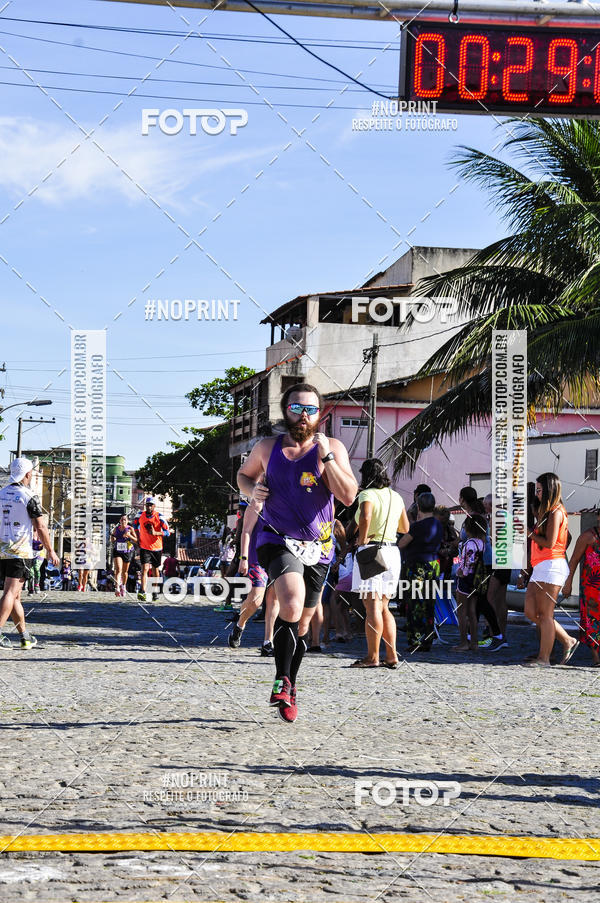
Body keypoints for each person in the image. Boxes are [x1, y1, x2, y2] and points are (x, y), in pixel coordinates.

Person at [237, 382, 357, 723]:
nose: (303, 415)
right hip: (277, 539)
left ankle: (291, 684)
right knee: (289, 601)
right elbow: (243, 476)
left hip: (319, 546)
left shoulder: (332, 447)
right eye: (296, 408)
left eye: (310, 409)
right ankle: (282, 679)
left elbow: (348, 496)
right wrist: (252, 490)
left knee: (303, 623)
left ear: (320, 414)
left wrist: (327, 457)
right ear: (285, 410)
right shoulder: (267, 447)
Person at [350, 458, 408, 668]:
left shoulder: (367, 494)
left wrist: (363, 540)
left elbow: (365, 517)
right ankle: (391, 656)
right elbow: (405, 527)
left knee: (372, 606)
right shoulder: (396, 496)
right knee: (384, 607)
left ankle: (372, 657)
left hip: (372, 550)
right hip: (392, 551)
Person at [0, 457, 60, 649]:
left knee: (15, 596)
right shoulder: (28, 496)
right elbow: (40, 526)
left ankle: (24, 636)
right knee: (10, 593)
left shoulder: (1, 493)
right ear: (28, 474)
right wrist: (50, 550)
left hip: (2, 550)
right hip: (19, 550)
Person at [524, 473, 577, 667]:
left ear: (548, 490)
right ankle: (567, 640)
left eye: (539, 490)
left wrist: (529, 532)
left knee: (545, 614)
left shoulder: (556, 511)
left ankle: (544, 659)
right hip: (541, 566)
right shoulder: (545, 512)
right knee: (530, 611)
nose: (537, 494)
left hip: (552, 566)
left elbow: (550, 543)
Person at [229, 489, 279, 654]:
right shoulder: (258, 503)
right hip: (257, 557)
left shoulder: (286, 503)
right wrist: (243, 558)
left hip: (279, 555)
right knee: (257, 599)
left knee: (274, 598)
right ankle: (240, 625)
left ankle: (268, 642)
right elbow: (246, 531)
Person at [398, 491, 443, 652]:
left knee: (415, 603)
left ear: (418, 506)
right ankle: (428, 638)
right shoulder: (438, 524)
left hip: (417, 567)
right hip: (433, 565)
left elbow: (402, 543)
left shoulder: (417, 526)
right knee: (429, 603)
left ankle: (415, 640)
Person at [562, 510, 600, 666]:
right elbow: (574, 561)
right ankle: (597, 659)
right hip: (592, 588)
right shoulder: (588, 536)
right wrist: (568, 583)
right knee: (591, 622)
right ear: (598, 517)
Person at [452, 513, 488, 652]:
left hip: (466, 580)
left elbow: (467, 563)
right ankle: (474, 642)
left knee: (462, 612)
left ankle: (463, 642)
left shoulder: (470, 544)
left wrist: (460, 573)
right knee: (472, 612)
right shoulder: (481, 543)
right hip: (476, 580)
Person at [482, 493, 510, 651]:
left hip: (498, 561)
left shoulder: (495, 516)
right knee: (501, 600)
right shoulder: (508, 516)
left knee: (489, 597)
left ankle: (493, 633)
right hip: (508, 560)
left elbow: (493, 540)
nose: (485, 507)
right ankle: (503, 635)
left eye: (486, 505)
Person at [133, 497, 170, 602]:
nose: (149, 507)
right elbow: (135, 525)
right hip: (145, 546)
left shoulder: (160, 517)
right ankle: (143, 591)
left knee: (155, 570)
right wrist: (137, 537)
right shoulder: (140, 515)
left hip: (157, 547)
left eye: (151, 505)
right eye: (147, 505)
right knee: (144, 569)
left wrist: (156, 533)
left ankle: (155, 591)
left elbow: (168, 532)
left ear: (154, 506)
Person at [111, 515, 138, 598]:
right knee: (118, 569)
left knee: (125, 572)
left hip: (127, 551)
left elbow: (136, 540)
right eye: (122, 519)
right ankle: (117, 588)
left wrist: (129, 535)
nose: (123, 521)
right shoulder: (116, 529)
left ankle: (123, 585)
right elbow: (113, 540)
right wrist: (112, 537)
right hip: (118, 551)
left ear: (127, 521)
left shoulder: (130, 529)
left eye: (125, 520)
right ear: (120, 521)